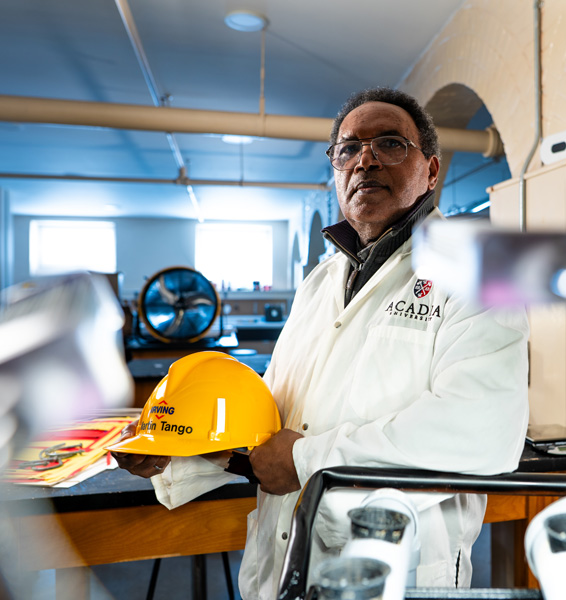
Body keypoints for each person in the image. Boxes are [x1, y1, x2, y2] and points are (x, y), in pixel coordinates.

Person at [113, 87, 529, 599]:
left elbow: (482, 429)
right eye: (348, 149)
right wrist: (175, 447)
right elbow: (273, 416)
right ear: (336, 171)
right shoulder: (320, 280)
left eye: (391, 144)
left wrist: (309, 460)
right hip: (281, 561)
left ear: (431, 171)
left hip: (396, 571)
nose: (365, 160)